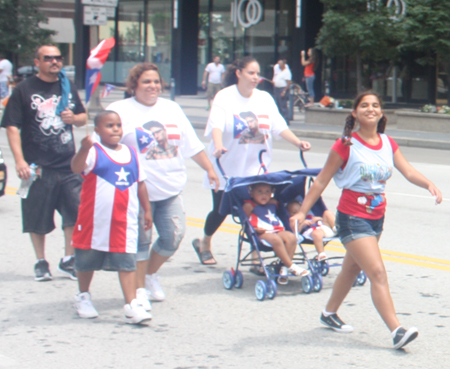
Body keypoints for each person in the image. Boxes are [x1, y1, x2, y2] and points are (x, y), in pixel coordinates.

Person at [289, 91, 442, 350]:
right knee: (377, 272)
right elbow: (322, 181)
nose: (370, 109)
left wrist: (428, 183)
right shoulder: (345, 144)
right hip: (352, 217)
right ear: (355, 113)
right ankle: (396, 330)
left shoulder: (387, 143)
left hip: (376, 216)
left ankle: (329, 313)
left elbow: (408, 170)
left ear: (381, 113)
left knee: (351, 269)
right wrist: (303, 211)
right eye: (364, 105)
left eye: (375, 105)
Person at [106, 63, 219, 305]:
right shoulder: (119, 110)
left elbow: (192, 144)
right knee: (140, 243)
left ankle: (148, 275)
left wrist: (209, 169)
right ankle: (137, 294)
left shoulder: (172, 109)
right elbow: (104, 145)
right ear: (134, 85)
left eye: (156, 81)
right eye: (146, 81)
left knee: (173, 237)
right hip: (136, 191)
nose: (153, 86)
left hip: (170, 187)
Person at [192, 56, 311, 265]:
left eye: (258, 73)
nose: (256, 77)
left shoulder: (264, 98)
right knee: (221, 211)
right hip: (227, 166)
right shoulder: (224, 97)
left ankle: (256, 255)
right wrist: (218, 145)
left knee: (257, 210)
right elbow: (216, 125)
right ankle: (205, 242)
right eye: (251, 73)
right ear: (239, 73)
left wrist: (297, 142)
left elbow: (279, 127)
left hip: (257, 167)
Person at [1, 44, 87, 281]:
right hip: (37, 166)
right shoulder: (23, 89)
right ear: (37, 62)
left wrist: (74, 118)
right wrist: (19, 161)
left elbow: (83, 118)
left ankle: (68, 259)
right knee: (36, 216)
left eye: (58, 58)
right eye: (48, 58)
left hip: (68, 164)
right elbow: (11, 127)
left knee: (74, 213)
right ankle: (41, 261)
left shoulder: (67, 86)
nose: (54, 61)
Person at [71, 111, 153, 324]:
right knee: (87, 261)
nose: (115, 129)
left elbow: (141, 183)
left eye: (118, 125)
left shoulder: (131, 153)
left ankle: (131, 304)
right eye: (109, 125)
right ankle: (83, 296)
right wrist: (83, 148)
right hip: (94, 220)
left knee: (126, 262)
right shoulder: (93, 152)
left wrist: (147, 209)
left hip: (124, 221)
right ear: (97, 130)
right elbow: (76, 168)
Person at [243, 183, 309, 284]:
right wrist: (255, 230)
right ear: (251, 193)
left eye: (267, 192)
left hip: (276, 229)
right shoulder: (249, 205)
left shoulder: (273, 202)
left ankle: (284, 268)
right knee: (276, 240)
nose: (264, 195)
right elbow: (246, 223)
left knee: (291, 237)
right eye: (259, 192)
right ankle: (291, 266)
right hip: (262, 232)